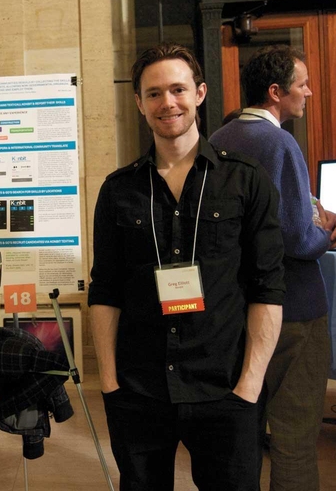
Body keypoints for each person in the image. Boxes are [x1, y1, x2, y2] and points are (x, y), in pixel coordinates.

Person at [89, 42, 286, 491]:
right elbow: (106, 290)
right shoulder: (119, 190)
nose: (167, 102)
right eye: (153, 93)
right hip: (140, 390)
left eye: (177, 89)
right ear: (139, 103)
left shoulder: (245, 179)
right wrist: (110, 383)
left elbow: (267, 288)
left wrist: (249, 387)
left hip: (226, 387)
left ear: (199, 93)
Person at [210, 45, 336, 491]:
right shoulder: (279, 142)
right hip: (294, 307)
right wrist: (326, 234)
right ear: (275, 92)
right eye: (302, 83)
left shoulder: (217, 140)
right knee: (295, 434)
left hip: (236, 306)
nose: (308, 92)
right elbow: (294, 237)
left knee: (245, 427)